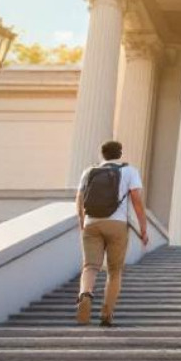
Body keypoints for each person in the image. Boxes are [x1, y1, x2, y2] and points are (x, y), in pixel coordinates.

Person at [75, 140, 148, 328]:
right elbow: (137, 202)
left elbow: (79, 200)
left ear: (102, 154)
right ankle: (106, 315)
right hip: (117, 223)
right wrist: (143, 229)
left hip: (92, 222)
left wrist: (82, 222)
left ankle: (85, 293)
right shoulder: (129, 171)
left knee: (90, 266)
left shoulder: (89, 172)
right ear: (120, 153)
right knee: (114, 271)